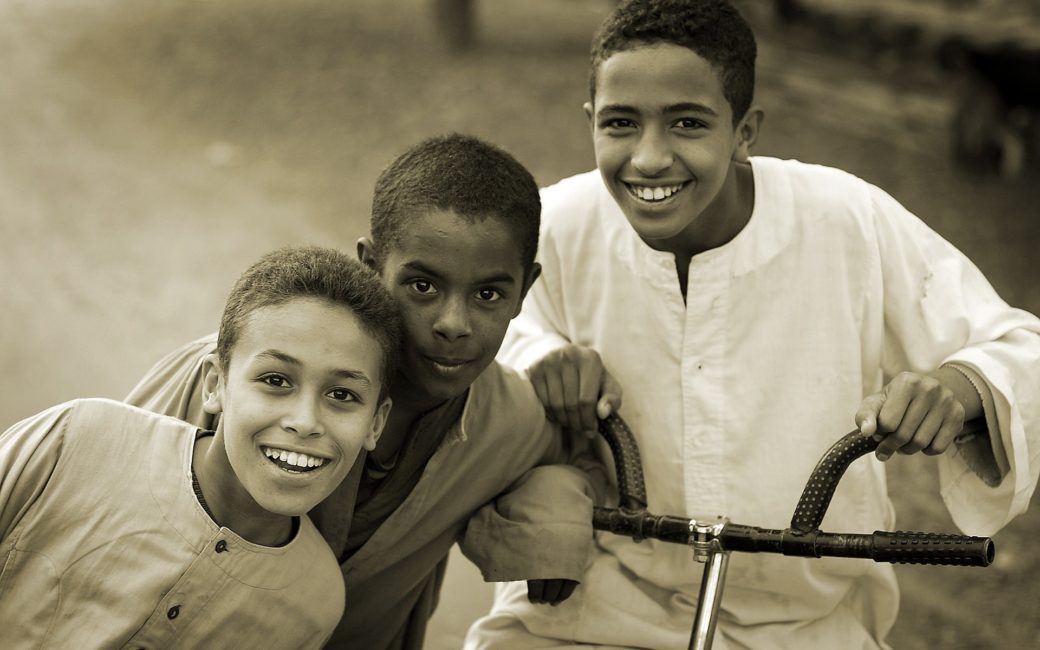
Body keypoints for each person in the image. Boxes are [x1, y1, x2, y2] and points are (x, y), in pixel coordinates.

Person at [465, 1, 1040, 648]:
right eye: (621, 123)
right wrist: (541, 357)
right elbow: (464, 343)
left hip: (803, 622)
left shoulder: (844, 221)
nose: (650, 158)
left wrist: (958, 389)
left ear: (745, 132)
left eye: (688, 124)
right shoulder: (555, 224)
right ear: (591, 122)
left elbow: (1018, 349)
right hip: (591, 605)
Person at [124, 134, 604, 649]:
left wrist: (551, 514)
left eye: (488, 294)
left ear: (524, 291)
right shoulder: (245, 375)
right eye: (422, 286)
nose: (453, 323)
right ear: (371, 266)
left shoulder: (510, 422)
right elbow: (105, 496)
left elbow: (578, 462)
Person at [0, 246, 401, 649]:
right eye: (276, 380)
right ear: (215, 384)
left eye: (342, 394)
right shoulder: (78, 441)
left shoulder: (317, 600)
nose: (305, 421)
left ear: (376, 423)